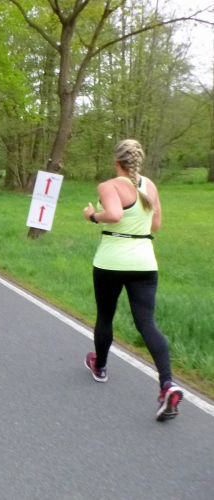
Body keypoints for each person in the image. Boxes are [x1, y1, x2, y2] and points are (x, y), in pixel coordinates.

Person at [82, 139, 183, 422]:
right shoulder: (149, 186)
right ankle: (167, 384)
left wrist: (92, 216)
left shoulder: (109, 186)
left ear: (116, 162)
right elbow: (155, 225)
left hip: (111, 262)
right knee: (146, 323)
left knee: (105, 316)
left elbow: (114, 214)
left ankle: (100, 367)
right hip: (144, 263)